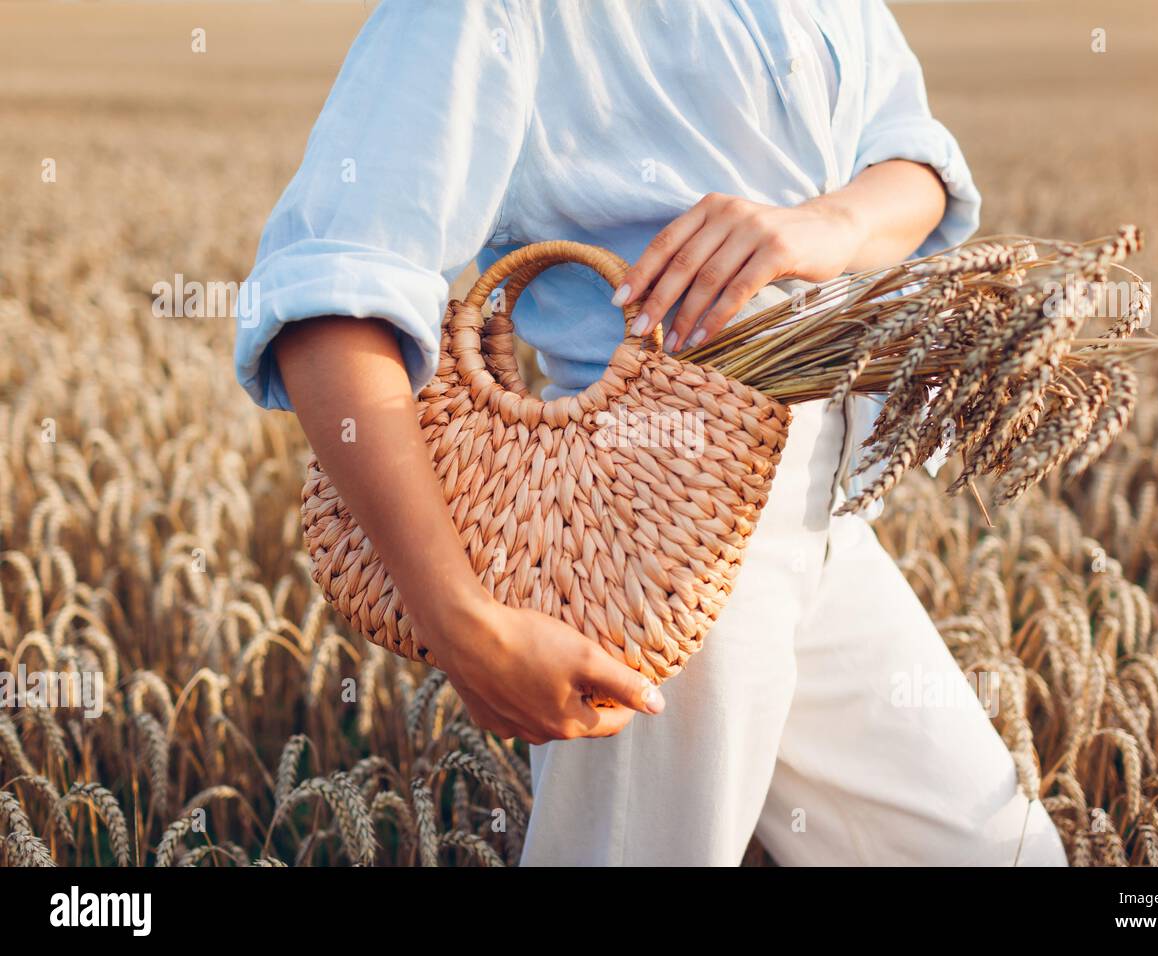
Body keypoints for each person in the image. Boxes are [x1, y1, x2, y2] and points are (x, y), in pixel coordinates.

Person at [235, 0, 1067, 866]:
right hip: (631, 524)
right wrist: (464, 623)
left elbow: (913, 162)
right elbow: (331, 296)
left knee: (997, 851)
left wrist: (827, 224)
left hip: (825, 506)